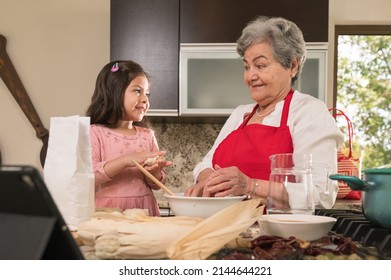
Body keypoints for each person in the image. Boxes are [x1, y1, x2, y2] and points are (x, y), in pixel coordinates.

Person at [185, 16, 344, 209]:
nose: (250, 76)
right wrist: (208, 179)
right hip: (227, 230)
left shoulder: (309, 112)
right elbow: (204, 165)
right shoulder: (240, 115)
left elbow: (320, 193)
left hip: (277, 236)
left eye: (260, 65)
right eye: (246, 67)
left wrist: (250, 186)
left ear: (292, 66)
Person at [86, 60, 172, 216]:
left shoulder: (147, 136)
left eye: (147, 93)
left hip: (144, 210)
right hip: (108, 211)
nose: (145, 99)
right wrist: (127, 160)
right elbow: (90, 176)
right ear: (114, 92)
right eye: (138, 91)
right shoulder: (95, 133)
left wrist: (155, 173)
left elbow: (157, 184)